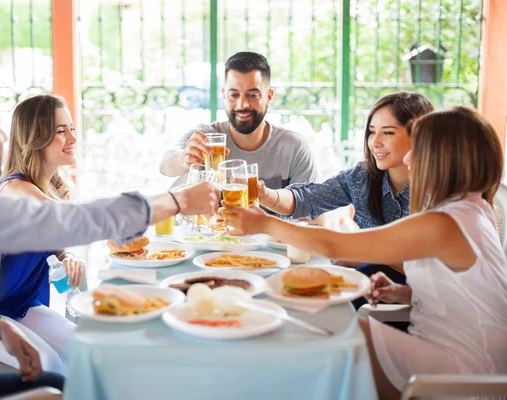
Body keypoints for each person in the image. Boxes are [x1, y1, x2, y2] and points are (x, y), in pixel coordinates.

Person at [0, 73, 219, 400]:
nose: (4, 137)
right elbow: (78, 220)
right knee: (72, 389)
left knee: (64, 384)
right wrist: (177, 201)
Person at [222, 107, 507, 398]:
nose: (409, 159)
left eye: (417, 151)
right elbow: (473, 294)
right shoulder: (474, 208)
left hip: (461, 371)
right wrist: (405, 293)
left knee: (326, 337)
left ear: (443, 159)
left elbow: (334, 245)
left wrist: (265, 223)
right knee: (330, 325)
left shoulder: (443, 223)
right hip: (466, 355)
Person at [260, 92, 433, 285]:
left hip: (428, 293)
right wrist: (266, 195)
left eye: (388, 132)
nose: (375, 143)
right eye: (372, 131)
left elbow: (429, 264)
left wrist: (351, 253)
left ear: (419, 136)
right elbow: (307, 199)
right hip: (382, 285)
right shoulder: (362, 177)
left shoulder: (439, 189)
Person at [0, 95, 83, 368]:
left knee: (87, 349)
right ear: (35, 137)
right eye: (61, 131)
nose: (73, 139)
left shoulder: (42, 188)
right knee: (53, 366)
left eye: (72, 128)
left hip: (20, 306)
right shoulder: (15, 188)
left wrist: (66, 255)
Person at [159, 51, 318, 189]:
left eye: (253, 95)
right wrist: (184, 158)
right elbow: (165, 165)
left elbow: (314, 219)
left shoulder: (294, 147)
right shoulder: (208, 137)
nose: (242, 104)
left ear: (268, 97)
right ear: (224, 95)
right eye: (234, 95)